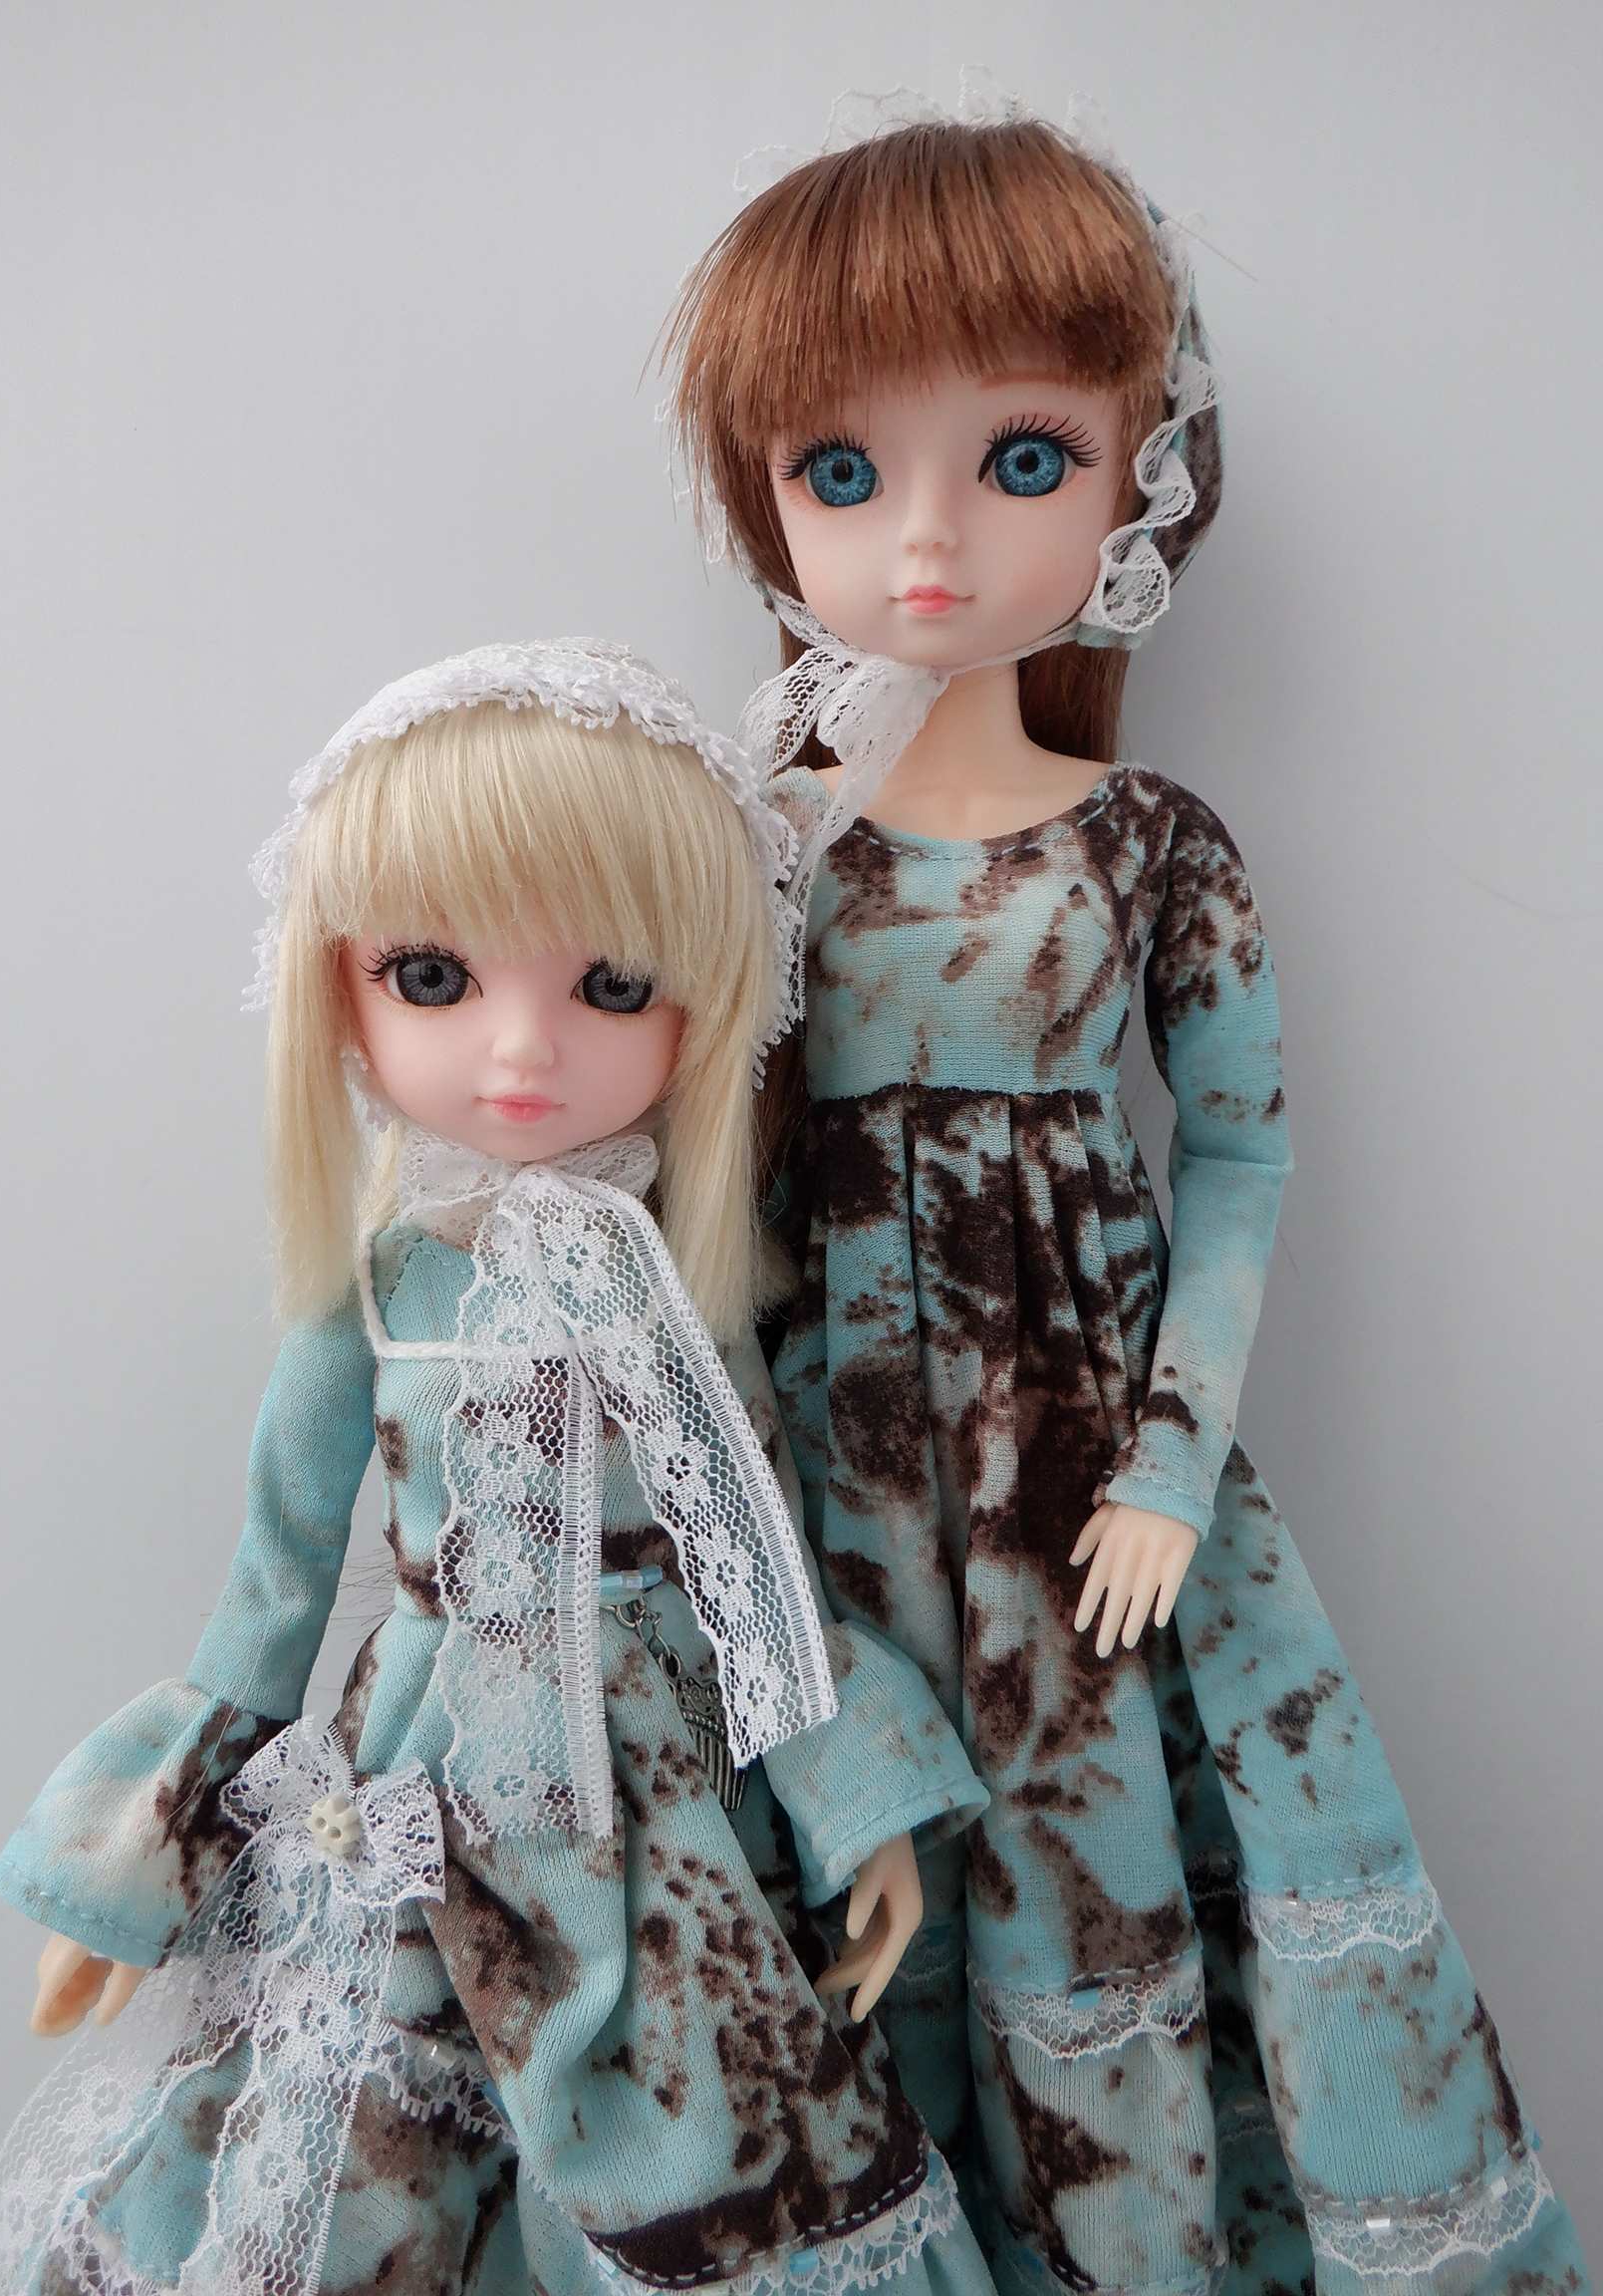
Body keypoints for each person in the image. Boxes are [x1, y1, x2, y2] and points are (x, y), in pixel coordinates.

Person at [662, 84, 1590, 2295]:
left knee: (1108, 1879)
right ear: (761, 498)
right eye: (840, 470)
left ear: (1140, 479)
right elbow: (696, 1178)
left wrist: (1171, 1463)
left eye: (1022, 459)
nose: (928, 543)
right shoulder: (748, 852)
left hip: (1089, 1485)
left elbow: (1244, 1149)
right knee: (849, 1904)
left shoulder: (1151, 845)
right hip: (828, 1484)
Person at [0, 641, 995, 2296]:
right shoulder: (375, 1295)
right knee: (376, 2159)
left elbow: (755, 1569)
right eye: (434, 975)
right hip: (422, 1782)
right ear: (338, 987)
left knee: (690, 2142)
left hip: (659, 1801)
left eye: (613, 986)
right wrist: (140, 1862)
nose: (523, 1053)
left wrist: (850, 1806)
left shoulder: (667, 1288)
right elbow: (272, 1589)